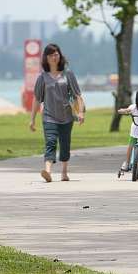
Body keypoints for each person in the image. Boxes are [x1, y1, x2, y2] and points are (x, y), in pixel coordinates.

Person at [30, 43, 85, 183]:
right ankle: (47, 171)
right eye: (51, 55)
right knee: (50, 142)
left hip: (66, 116)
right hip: (49, 116)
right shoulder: (42, 78)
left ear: (60, 56)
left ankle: (64, 172)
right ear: (46, 58)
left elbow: (77, 95)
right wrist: (32, 119)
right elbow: (37, 99)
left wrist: (81, 113)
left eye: (56, 54)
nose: (54, 57)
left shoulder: (68, 75)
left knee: (65, 144)